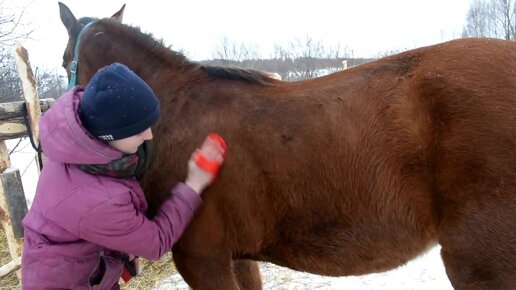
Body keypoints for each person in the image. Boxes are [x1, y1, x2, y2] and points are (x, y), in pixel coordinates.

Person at [21, 62, 225, 289]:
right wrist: (194, 184)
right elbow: (156, 243)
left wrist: (116, 245)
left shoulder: (74, 144)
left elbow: (79, 223)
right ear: (109, 134)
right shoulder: (100, 200)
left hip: (69, 269)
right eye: (138, 130)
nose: (148, 136)